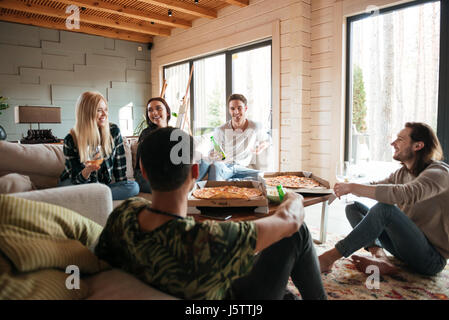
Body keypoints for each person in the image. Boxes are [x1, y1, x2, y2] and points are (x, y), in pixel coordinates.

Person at [95, 127, 327, 300]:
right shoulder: (208, 239)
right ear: (194, 172)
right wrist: (293, 197)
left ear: (143, 171)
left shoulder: (124, 213)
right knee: (297, 234)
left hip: (195, 283)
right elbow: (290, 221)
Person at [319, 122, 449, 276]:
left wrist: (352, 187)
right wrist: (344, 189)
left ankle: (328, 258)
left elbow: (405, 194)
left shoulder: (439, 173)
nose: (393, 143)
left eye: (400, 139)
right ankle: (380, 258)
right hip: (404, 249)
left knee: (384, 209)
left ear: (418, 145)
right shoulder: (403, 173)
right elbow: (377, 186)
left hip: (430, 260)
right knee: (353, 206)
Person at [59, 91, 139, 201]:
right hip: (77, 185)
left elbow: (119, 170)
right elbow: (74, 179)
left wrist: (122, 187)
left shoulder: (113, 132)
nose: (105, 114)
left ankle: (91, 198)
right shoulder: (71, 139)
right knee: (65, 189)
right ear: (87, 113)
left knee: (133, 187)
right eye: (99, 110)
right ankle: (97, 197)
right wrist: (87, 171)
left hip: (101, 187)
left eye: (105, 109)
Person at [133, 97, 211, 193]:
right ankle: (183, 187)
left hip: (170, 172)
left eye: (158, 108)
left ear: (167, 113)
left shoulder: (174, 133)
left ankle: (182, 186)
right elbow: (150, 164)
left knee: (204, 163)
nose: (154, 112)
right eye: (150, 110)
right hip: (148, 175)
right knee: (168, 184)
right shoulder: (146, 134)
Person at [208, 93, 270, 181]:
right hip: (225, 167)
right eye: (232, 109)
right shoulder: (220, 130)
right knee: (216, 168)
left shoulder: (255, 127)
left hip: (242, 168)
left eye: (239, 108)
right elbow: (212, 153)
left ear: (245, 108)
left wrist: (262, 145)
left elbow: (268, 140)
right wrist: (212, 154)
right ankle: (232, 181)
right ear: (229, 110)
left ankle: (233, 181)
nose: (236, 112)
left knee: (262, 176)